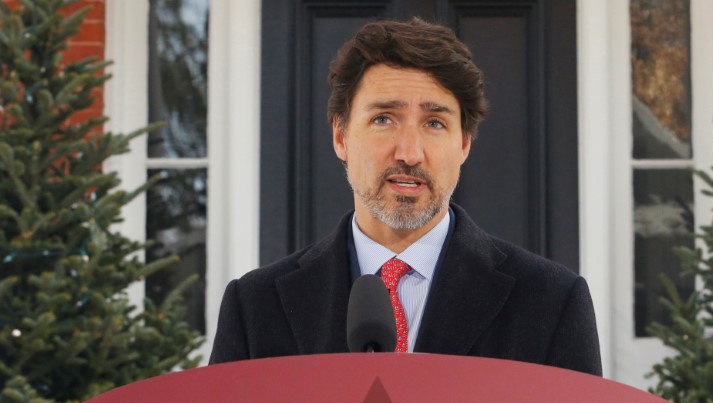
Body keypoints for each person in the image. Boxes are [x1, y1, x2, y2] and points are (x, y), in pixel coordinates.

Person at [209, 18, 602, 376]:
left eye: (434, 123)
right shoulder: (255, 307)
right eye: (384, 119)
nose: (409, 153)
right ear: (341, 136)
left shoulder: (551, 302)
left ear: (464, 143)